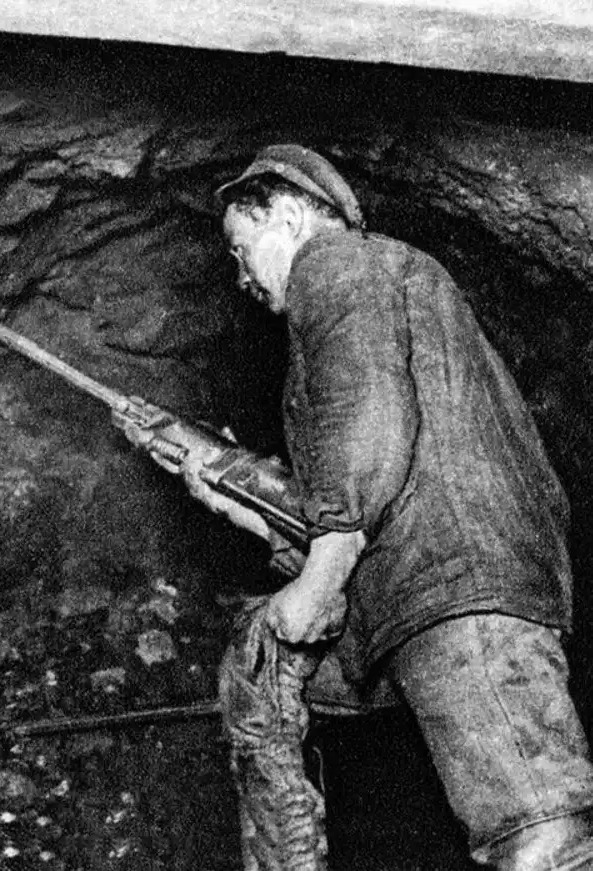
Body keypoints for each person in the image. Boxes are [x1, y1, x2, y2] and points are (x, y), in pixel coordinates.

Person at [171, 144, 593, 869]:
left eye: (241, 249)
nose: (240, 278)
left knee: (542, 840)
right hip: (410, 595)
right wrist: (238, 501)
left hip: (458, 587)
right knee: (258, 660)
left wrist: (325, 571)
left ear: (290, 214)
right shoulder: (366, 295)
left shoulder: (339, 265)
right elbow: (362, 487)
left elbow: (369, 419)